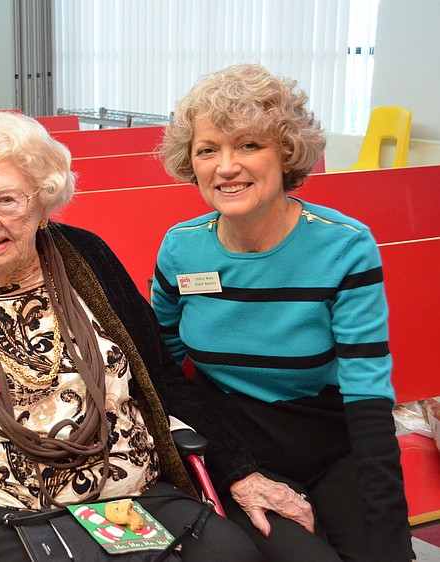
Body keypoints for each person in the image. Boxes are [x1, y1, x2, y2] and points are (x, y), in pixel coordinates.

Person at [0, 111, 264, 562]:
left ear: (43, 202)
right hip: (5, 508)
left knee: (234, 555)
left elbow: (162, 382)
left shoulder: (88, 256)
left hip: (134, 493)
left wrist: (238, 470)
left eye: (7, 200)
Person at [151, 64, 413, 562]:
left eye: (249, 145)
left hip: (333, 442)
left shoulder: (345, 246)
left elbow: (367, 389)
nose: (226, 167)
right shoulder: (181, 250)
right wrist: (221, 461)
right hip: (238, 450)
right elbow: (161, 364)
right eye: (208, 150)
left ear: (286, 153)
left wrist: (389, 528)